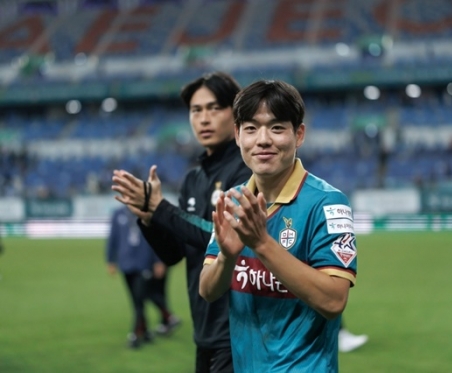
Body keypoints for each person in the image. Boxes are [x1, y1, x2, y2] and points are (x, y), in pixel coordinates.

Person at [199, 79, 358, 372]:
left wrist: (261, 244)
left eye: (276, 128)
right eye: (250, 128)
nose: (262, 140)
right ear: (237, 135)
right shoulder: (233, 200)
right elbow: (208, 290)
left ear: (299, 135)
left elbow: (334, 301)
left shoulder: (328, 203)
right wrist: (227, 256)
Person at [111, 72, 252, 372]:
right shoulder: (193, 178)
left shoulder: (248, 171)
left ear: (236, 113)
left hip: (241, 332)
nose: (204, 118)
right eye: (196, 110)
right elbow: (176, 254)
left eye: (214, 108)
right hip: (204, 329)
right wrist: (149, 219)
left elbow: (224, 238)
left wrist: (161, 209)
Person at [106, 206, 180, 349]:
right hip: (126, 264)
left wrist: (159, 260)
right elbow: (113, 237)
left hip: (144, 263)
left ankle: (136, 334)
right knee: (135, 300)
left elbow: (156, 238)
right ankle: (146, 331)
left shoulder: (147, 213)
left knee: (140, 299)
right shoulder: (118, 214)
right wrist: (110, 260)